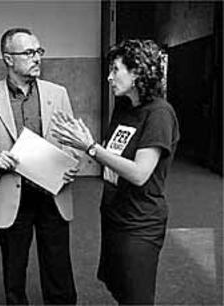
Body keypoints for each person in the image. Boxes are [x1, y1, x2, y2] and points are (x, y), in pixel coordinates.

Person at [52, 39, 180, 305]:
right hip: (114, 214)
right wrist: (82, 151)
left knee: (137, 297)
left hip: (140, 222)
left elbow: (139, 173)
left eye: (116, 70)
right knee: (119, 287)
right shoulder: (123, 107)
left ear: (137, 73)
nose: (109, 77)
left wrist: (91, 148)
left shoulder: (159, 114)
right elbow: (112, 157)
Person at [0, 28, 79, 304]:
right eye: (29, 52)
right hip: (11, 192)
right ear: (8, 58)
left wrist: (72, 160)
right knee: (14, 269)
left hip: (53, 191)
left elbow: (71, 138)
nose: (37, 58)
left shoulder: (58, 93)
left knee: (58, 265)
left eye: (39, 51)